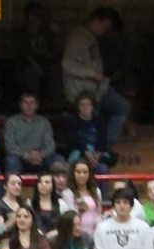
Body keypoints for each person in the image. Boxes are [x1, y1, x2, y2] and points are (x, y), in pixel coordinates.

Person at [61, 8, 130, 153]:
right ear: (96, 21)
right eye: (104, 26)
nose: (105, 31)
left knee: (122, 106)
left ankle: (106, 146)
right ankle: (97, 151)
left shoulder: (90, 37)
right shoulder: (78, 38)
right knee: (94, 124)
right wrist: (91, 74)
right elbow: (67, 64)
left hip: (98, 91)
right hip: (82, 93)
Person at [4, 91, 63, 176]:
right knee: (11, 160)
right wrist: (27, 155)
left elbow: (50, 145)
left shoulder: (44, 122)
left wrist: (41, 155)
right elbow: (10, 146)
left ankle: (59, 188)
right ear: (21, 105)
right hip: (20, 158)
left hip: (41, 158)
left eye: (32, 103)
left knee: (58, 159)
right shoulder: (11, 122)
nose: (29, 106)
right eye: (26, 103)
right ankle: (12, 187)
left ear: (37, 106)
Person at [63, 91, 110, 174]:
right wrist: (87, 154)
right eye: (82, 105)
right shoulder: (71, 121)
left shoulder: (99, 121)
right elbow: (73, 141)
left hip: (96, 154)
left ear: (92, 107)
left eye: (88, 105)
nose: (85, 108)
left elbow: (103, 140)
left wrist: (97, 154)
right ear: (78, 107)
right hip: (79, 153)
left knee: (103, 169)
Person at [60, 159, 102, 238]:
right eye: (78, 172)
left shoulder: (97, 191)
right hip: (77, 233)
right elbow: (70, 217)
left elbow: (99, 213)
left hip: (95, 233)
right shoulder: (68, 193)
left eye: (85, 172)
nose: (82, 175)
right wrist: (82, 210)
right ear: (73, 173)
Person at [31, 171, 65, 237]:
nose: (43, 185)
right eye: (40, 182)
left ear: (53, 186)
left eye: (47, 182)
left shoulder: (61, 203)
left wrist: (56, 232)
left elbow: (66, 224)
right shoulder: (30, 204)